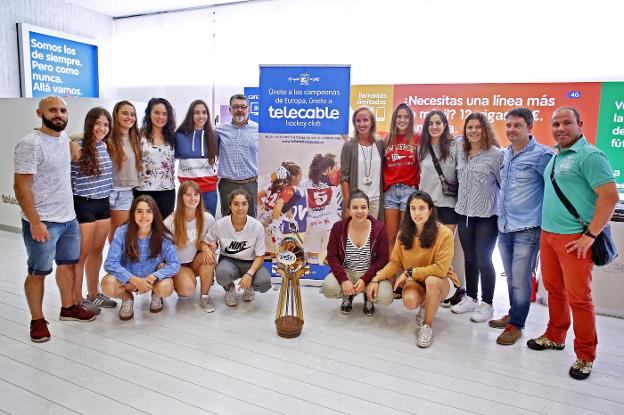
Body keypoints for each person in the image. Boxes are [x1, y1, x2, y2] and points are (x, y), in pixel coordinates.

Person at [527, 107, 618, 380]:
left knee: (580, 299)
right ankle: (555, 336)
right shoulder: (556, 155)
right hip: (549, 236)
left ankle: (585, 355)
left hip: (574, 240)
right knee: (555, 291)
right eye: (556, 124)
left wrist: (589, 236)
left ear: (580, 124)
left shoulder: (590, 156)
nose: (560, 128)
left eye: (567, 123)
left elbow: (609, 197)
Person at [14, 96, 96, 342]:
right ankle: (37, 320)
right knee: (38, 271)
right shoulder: (30, 144)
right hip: (43, 221)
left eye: (63, 110)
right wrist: (35, 221)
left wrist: (73, 141)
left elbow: (71, 145)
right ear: (40, 114)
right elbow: (20, 186)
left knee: (67, 264)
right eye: (53, 110)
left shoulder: (63, 139)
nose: (58, 114)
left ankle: (68, 308)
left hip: (68, 218)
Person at [490, 108, 553, 345]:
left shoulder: (542, 155)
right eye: (508, 125)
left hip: (528, 228)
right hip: (504, 227)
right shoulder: (505, 154)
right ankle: (513, 314)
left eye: (517, 125)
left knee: (520, 278)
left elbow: (552, 191)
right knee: (510, 278)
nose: (511, 129)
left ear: (530, 128)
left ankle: (516, 324)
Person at [369, 191, 460, 348]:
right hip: (417, 280)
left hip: (442, 281)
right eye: (413, 208)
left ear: (430, 210)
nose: (417, 213)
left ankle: (427, 326)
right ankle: (426, 305)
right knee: (410, 301)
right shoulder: (403, 234)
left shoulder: (444, 234)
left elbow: (440, 269)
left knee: (431, 282)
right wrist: (376, 279)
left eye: (422, 208)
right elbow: (394, 262)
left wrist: (409, 272)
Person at [451, 112, 502, 323]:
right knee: (469, 258)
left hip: (486, 216)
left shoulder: (496, 154)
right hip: (463, 213)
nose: (473, 131)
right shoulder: (460, 152)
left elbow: (503, 184)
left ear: (485, 130)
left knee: (484, 259)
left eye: (477, 127)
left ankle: (487, 303)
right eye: (469, 127)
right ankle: (471, 297)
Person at [102, 195, 179, 320]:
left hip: (152, 282)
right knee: (107, 283)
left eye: (148, 211)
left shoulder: (163, 236)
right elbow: (110, 263)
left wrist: (153, 277)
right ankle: (127, 298)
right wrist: (134, 280)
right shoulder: (122, 232)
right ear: (133, 214)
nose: (144, 216)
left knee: (166, 286)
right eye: (139, 211)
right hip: (128, 281)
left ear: (154, 214)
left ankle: (156, 294)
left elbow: (174, 264)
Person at [417, 110, 465, 307]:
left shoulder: (455, 147)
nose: (435, 126)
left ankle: (453, 288)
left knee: (444, 251)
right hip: (428, 206)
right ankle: (430, 288)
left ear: (445, 125)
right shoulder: (422, 148)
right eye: (431, 123)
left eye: (439, 122)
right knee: (429, 250)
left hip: (448, 205)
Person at [70, 107, 116, 313]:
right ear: (89, 124)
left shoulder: (104, 146)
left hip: (103, 203)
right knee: (82, 253)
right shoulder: (76, 146)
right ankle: (77, 298)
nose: (102, 128)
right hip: (84, 204)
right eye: (97, 123)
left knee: (97, 251)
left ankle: (93, 294)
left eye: (106, 124)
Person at [323, 190, 391, 315]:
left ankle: (368, 296)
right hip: (347, 272)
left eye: (363, 207)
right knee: (328, 288)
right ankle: (347, 295)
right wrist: (344, 280)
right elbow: (332, 257)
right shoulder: (338, 227)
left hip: (371, 274)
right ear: (348, 210)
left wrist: (366, 279)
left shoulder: (379, 228)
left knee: (386, 296)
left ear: (368, 209)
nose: (359, 211)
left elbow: (383, 259)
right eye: (355, 207)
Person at [206, 189, 272, 306]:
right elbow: (204, 242)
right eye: (236, 204)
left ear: (248, 205)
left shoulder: (257, 226)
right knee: (222, 274)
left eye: (244, 204)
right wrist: (208, 249)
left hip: (251, 262)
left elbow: (260, 256)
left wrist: (249, 274)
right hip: (229, 261)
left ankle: (250, 286)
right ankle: (229, 288)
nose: (240, 208)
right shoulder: (220, 224)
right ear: (230, 205)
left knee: (264, 282)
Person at [164, 181, 217, 312]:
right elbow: (163, 251)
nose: (193, 198)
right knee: (186, 291)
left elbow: (211, 242)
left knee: (209, 257)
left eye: (196, 194)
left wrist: (211, 247)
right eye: (188, 195)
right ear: (181, 197)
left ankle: (205, 296)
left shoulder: (208, 218)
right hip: (178, 264)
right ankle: (180, 280)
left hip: (194, 262)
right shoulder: (170, 222)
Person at [383, 103, 420, 257]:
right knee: (390, 237)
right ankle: (390, 279)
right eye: (399, 116)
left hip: (409, 190)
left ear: (411, 119)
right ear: (394, 119)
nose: (402, 120)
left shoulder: (418, 138)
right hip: (390, 192)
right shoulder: (387, 140)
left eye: (406, 117)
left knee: (405, 237)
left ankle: (406, 278)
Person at [216, 94, 259, 217]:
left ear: (248, 109)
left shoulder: (259, 130)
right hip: (227, 185)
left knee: (251, 220)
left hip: (250, 185)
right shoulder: (219, 130)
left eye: (243, 107)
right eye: (235, 107)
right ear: (230, 110)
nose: (239, 110)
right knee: (227, 220)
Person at [175, 99, 219, 216]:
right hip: (188, 192)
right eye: (197, 112)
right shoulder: (179, 136)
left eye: (204, 112)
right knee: (187, 225)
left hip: (209, 191)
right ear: (191, 115)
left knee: (208, 226)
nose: (201, 116)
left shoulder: (214, 136)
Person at [134, 97, 177, 219]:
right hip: (143, 190)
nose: (161, 117)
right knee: (143, 227)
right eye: (157, 113)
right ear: (149, 114)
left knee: (164, 228)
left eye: (164, 114)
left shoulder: (173, 137)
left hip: (167, 191)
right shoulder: (138, 135)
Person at [106, 100, 142, 242]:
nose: (129, 117)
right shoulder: (107, 137)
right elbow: (85, 136)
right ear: (116, 115)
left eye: (132, 114)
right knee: (101, 237)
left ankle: (115, 263)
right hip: (106, 191)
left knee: (119, 235)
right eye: (125, 113)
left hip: (126, 192)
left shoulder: (137, 138)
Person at [340, 107, 385, 219]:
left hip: (376, 201)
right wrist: (347, 205)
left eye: (365, 120)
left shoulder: (380, 144)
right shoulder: (349, 146)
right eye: (358, 121)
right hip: (356, 202)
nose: (361, 124)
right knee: (354, 235)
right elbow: (344, 178)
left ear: (372, 123)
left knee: (373, 235)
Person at [300, 153, 343, 264]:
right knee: (330, 257)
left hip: (313, 225)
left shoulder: (306, 182)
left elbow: (293, 194)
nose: (335, 170)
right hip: (329, 225)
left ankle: (312, 275)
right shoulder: (334, 183)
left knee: (312, 260)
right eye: (333, 168)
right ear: (328, 169)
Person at [257, 162, 303, 255]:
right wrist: (274, 222)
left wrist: (291, 219)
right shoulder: (290, 189)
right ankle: (271, 267)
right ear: (293, 177)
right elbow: (279, 203)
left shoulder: (274, 184)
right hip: (272, 219)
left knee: (263, 246)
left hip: (261, 215)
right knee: (275, 250)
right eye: (300, 176)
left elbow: (285, 206)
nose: (300, 179)